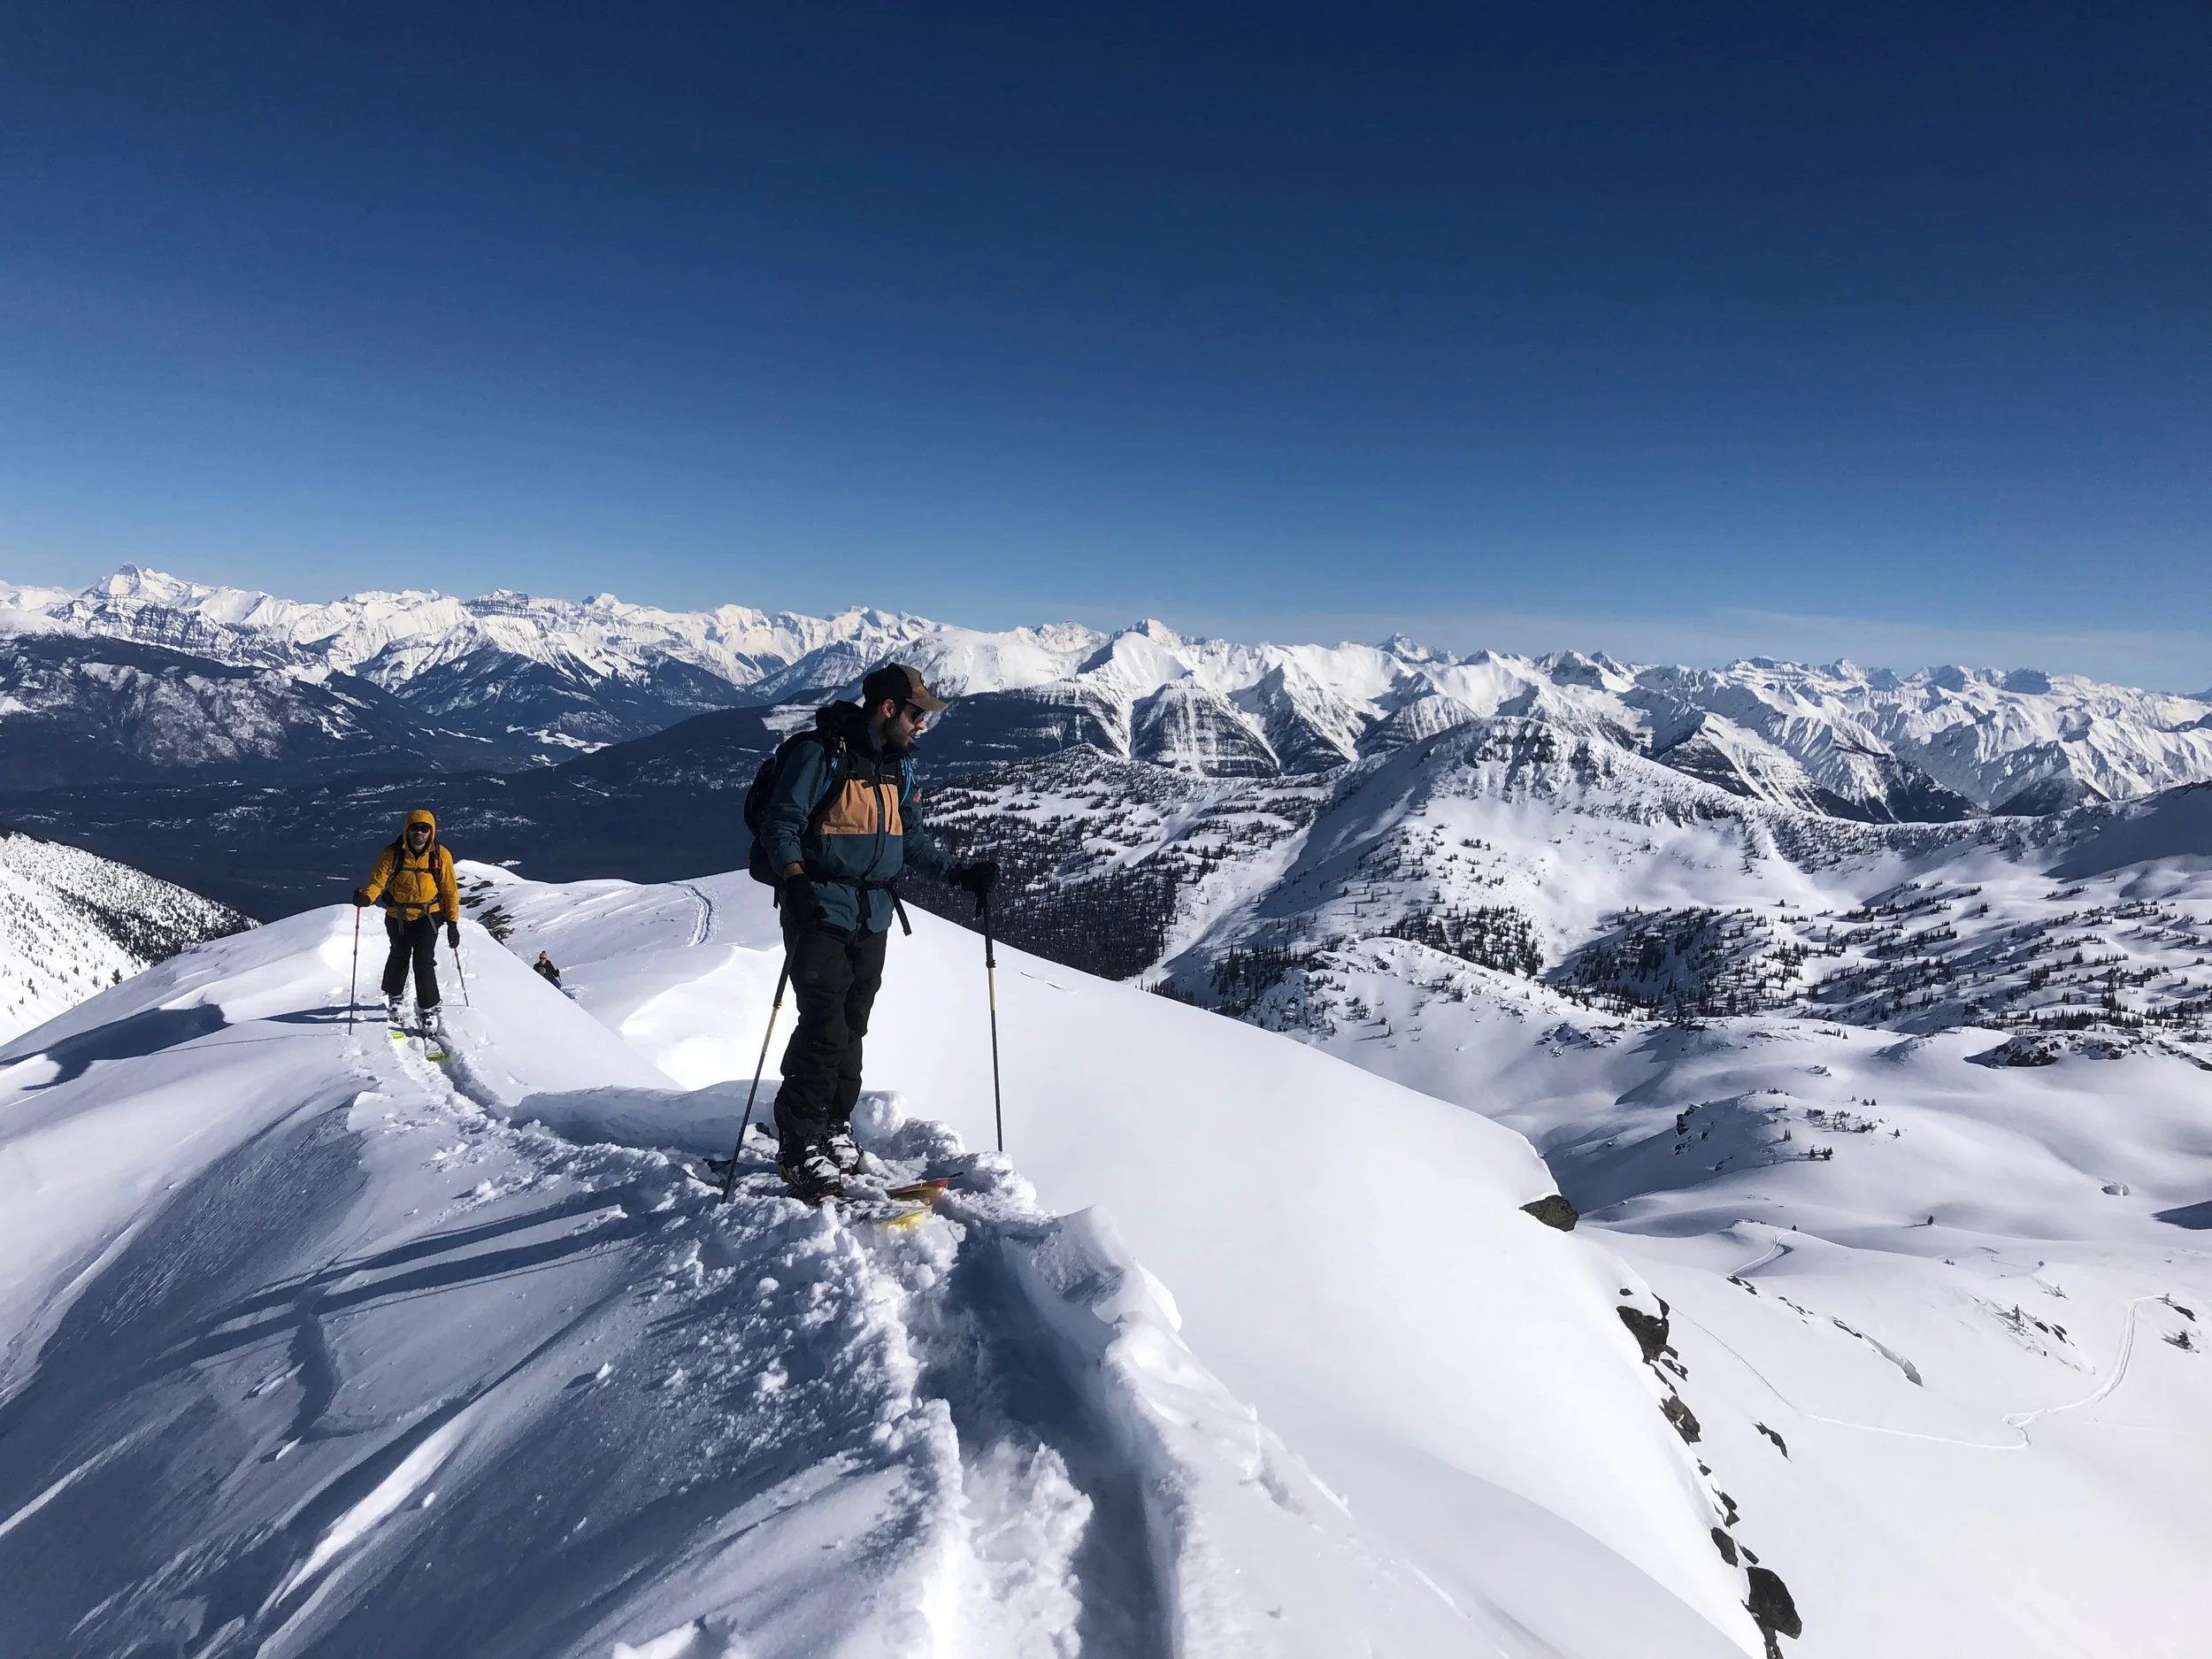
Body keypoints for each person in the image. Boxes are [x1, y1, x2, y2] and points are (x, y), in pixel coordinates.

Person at [757, 664, 997, 1197]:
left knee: (852, 1024)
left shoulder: (896, 768)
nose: (921, 725)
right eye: (915, 714)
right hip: (820, 909)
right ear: (888, 708)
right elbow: (781, 823)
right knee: (824, 1025)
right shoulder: (820, 755)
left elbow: (910, 842)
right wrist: (795, 881)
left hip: (873, 915)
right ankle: (798, 1144)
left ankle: (833, 1127)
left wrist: (959, 874)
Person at [353, 809, 460, 1033]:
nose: (419, 833)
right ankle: (395, 996)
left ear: (431, 831)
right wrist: (367, 897)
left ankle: (428, 1007)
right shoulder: (392, 854)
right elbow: (378, 881)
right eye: (415, 828)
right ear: (407, 830)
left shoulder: (441, 856)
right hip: (398, 915)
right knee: (399, 954)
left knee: (424, 959)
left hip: (429, 915)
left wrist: (452, 922)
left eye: (424, 829)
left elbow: (450, 889)